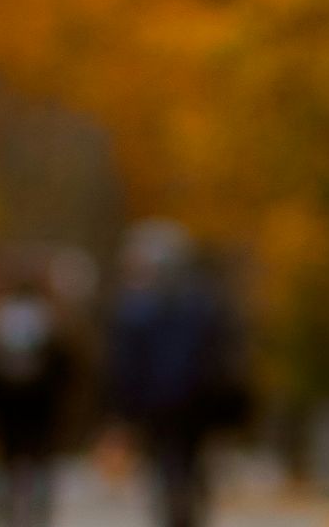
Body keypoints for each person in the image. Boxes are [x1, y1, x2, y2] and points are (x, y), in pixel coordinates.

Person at [104, 218, 247, 527]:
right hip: (193, 399)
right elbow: (223, 352)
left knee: (170, 463)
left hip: (164, 401)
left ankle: (177, 509)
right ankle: (185, 509)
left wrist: (124, 408)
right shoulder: (203, 302)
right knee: (186, 462)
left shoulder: (138, 306)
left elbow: (127, 363)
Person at [0, 272, 74, 527]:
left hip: (4, 409)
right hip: (40, 408)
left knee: (3, 466)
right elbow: (64, 369)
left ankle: (2, 519)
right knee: (40, 466)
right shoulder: (48, 321)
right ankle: (38, 520)